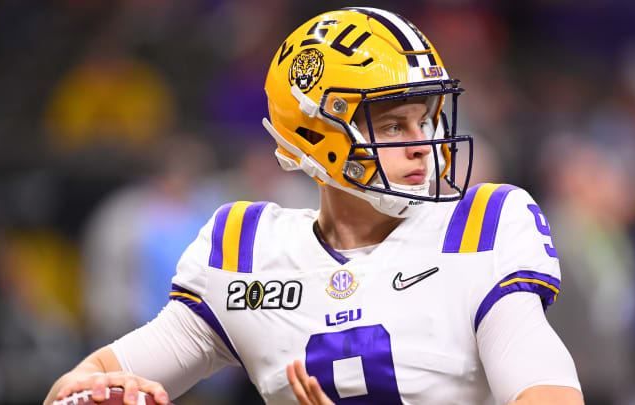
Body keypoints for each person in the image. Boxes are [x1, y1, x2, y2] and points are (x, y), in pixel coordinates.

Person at [45, 8, 583, 405]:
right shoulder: (245, 249)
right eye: (394, 124)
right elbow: (80, 384)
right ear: (316, 135)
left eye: (426, 119)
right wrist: (91, 394)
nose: (423, 143)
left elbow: (550, 395)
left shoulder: (481, 229)